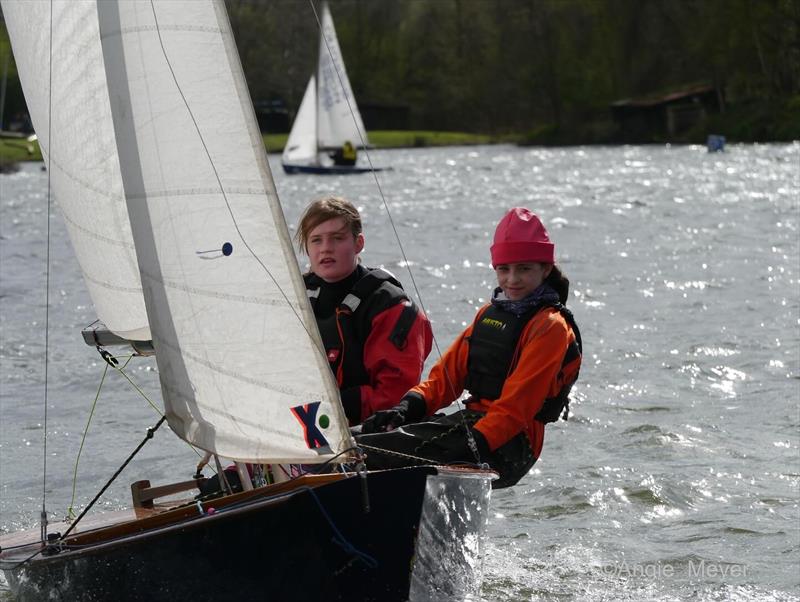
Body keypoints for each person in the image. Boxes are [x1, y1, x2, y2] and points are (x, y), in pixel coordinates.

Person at [356, 207, 582, 489]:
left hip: (512, 443)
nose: (512, 279)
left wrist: (473, 443)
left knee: (359, 453)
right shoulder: (489, 314)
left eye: (524, 269)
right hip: (473, 425)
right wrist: (404, 409)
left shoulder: (551, 327)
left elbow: (516, 409)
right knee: (353, 440)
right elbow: (444, 380)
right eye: (504, 269)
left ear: (545, 269)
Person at [297, 196, 433, 426]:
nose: (326, 248)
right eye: (316, 240)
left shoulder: (391, 307)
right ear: (307, 249)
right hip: (298, 426)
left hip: (365, 435)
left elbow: (392, 395)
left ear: (358, 244)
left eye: (337, 238)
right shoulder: (293, 296)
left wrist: (328, 408)